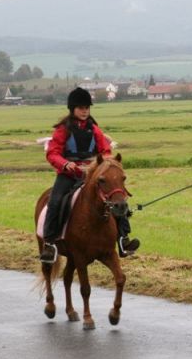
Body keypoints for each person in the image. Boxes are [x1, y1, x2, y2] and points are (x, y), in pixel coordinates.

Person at [39, 87, 140, 262]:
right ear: (73, 109)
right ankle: (49, 244)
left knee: (117, 198)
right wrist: (65, 164)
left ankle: (123, 239)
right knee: (55, 201)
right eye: (81, 108)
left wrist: (104, 166)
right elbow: (53, 153)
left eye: (87, 108)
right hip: (69, 174)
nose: (84, 111)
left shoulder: (94, 129)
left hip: (92, 175)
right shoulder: (63, 130)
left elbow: (105, 151)